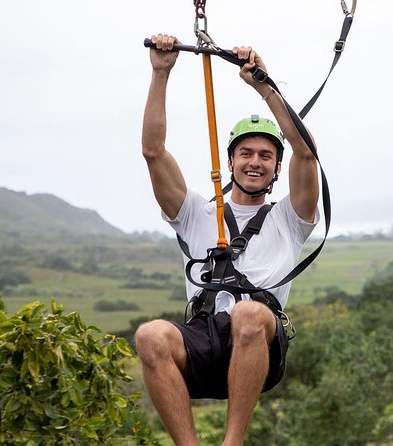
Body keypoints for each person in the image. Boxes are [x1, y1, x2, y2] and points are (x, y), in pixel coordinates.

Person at [135, 33, 319, 446]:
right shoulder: (196, 212)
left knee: (250, 314)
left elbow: (306, 154)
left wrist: (264, 85)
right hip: (204, 338)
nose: (255, 162)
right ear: (231, 161)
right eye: (246, 153)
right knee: (150, 335)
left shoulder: (291, 218)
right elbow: (153, 151)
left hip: (260, 342)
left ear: (275, 171)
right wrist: (160, 73)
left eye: (266, 155)